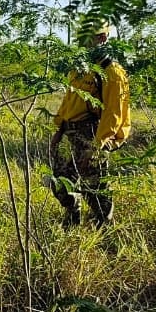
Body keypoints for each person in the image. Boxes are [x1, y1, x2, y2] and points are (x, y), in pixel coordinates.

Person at [49, 22, 131, 227]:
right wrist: (58, 129)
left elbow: (114, 112)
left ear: (102, 38)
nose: (82, 44)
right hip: (70, 132)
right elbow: (68, 101)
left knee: (94, 188)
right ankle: (72, 214)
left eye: (88, 39)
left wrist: (97, 145)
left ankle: (105, 227)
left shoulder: (112, 71)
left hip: (93, 134)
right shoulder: (79, 69)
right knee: (60, 183)